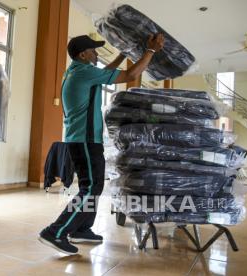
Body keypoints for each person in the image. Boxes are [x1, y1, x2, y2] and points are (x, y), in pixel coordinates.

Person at [38, 34, 165, 255]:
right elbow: (131, 74)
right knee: (91, 188)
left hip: (83, 139)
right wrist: (151, 51)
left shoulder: (78, 70)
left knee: (94, 186)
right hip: (85, 140)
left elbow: (107, 70)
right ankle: (55, 232)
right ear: (83, 54)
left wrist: (124, 54)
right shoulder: (84, 72)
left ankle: (81, 229)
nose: (97, 53)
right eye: (94, 50)